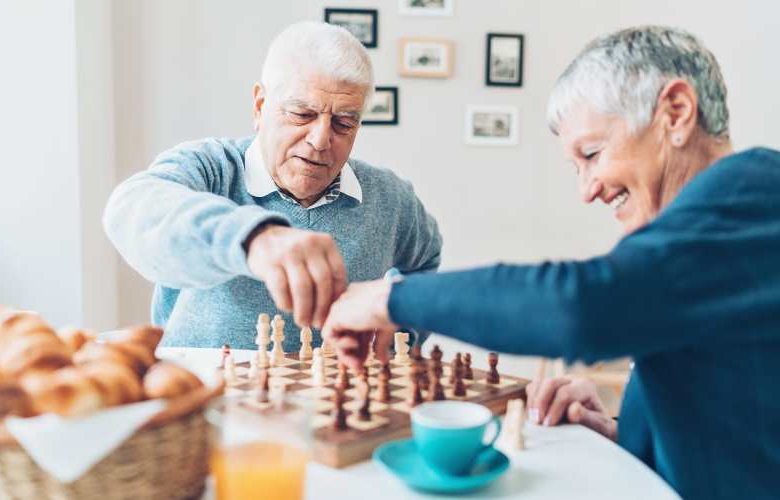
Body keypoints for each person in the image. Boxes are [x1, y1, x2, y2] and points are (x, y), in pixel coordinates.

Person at [323, 26, 780, 500]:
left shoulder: (748, 205)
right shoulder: (724, 218)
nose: (588, 190)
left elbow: (579, 305)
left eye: (593, 154)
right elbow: (739, 412)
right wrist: (623, 432)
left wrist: (387, 297)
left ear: (676, 113)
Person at [103, 22, 442, 350]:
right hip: (212, 397)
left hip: (336, 401)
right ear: (260, 105)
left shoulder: (391, 198)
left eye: (343, 122)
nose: (321, 139)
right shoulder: (210, 168)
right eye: (302, 114)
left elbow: (425, 264)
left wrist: (400, 325)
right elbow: (131, 209)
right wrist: (254, 238)